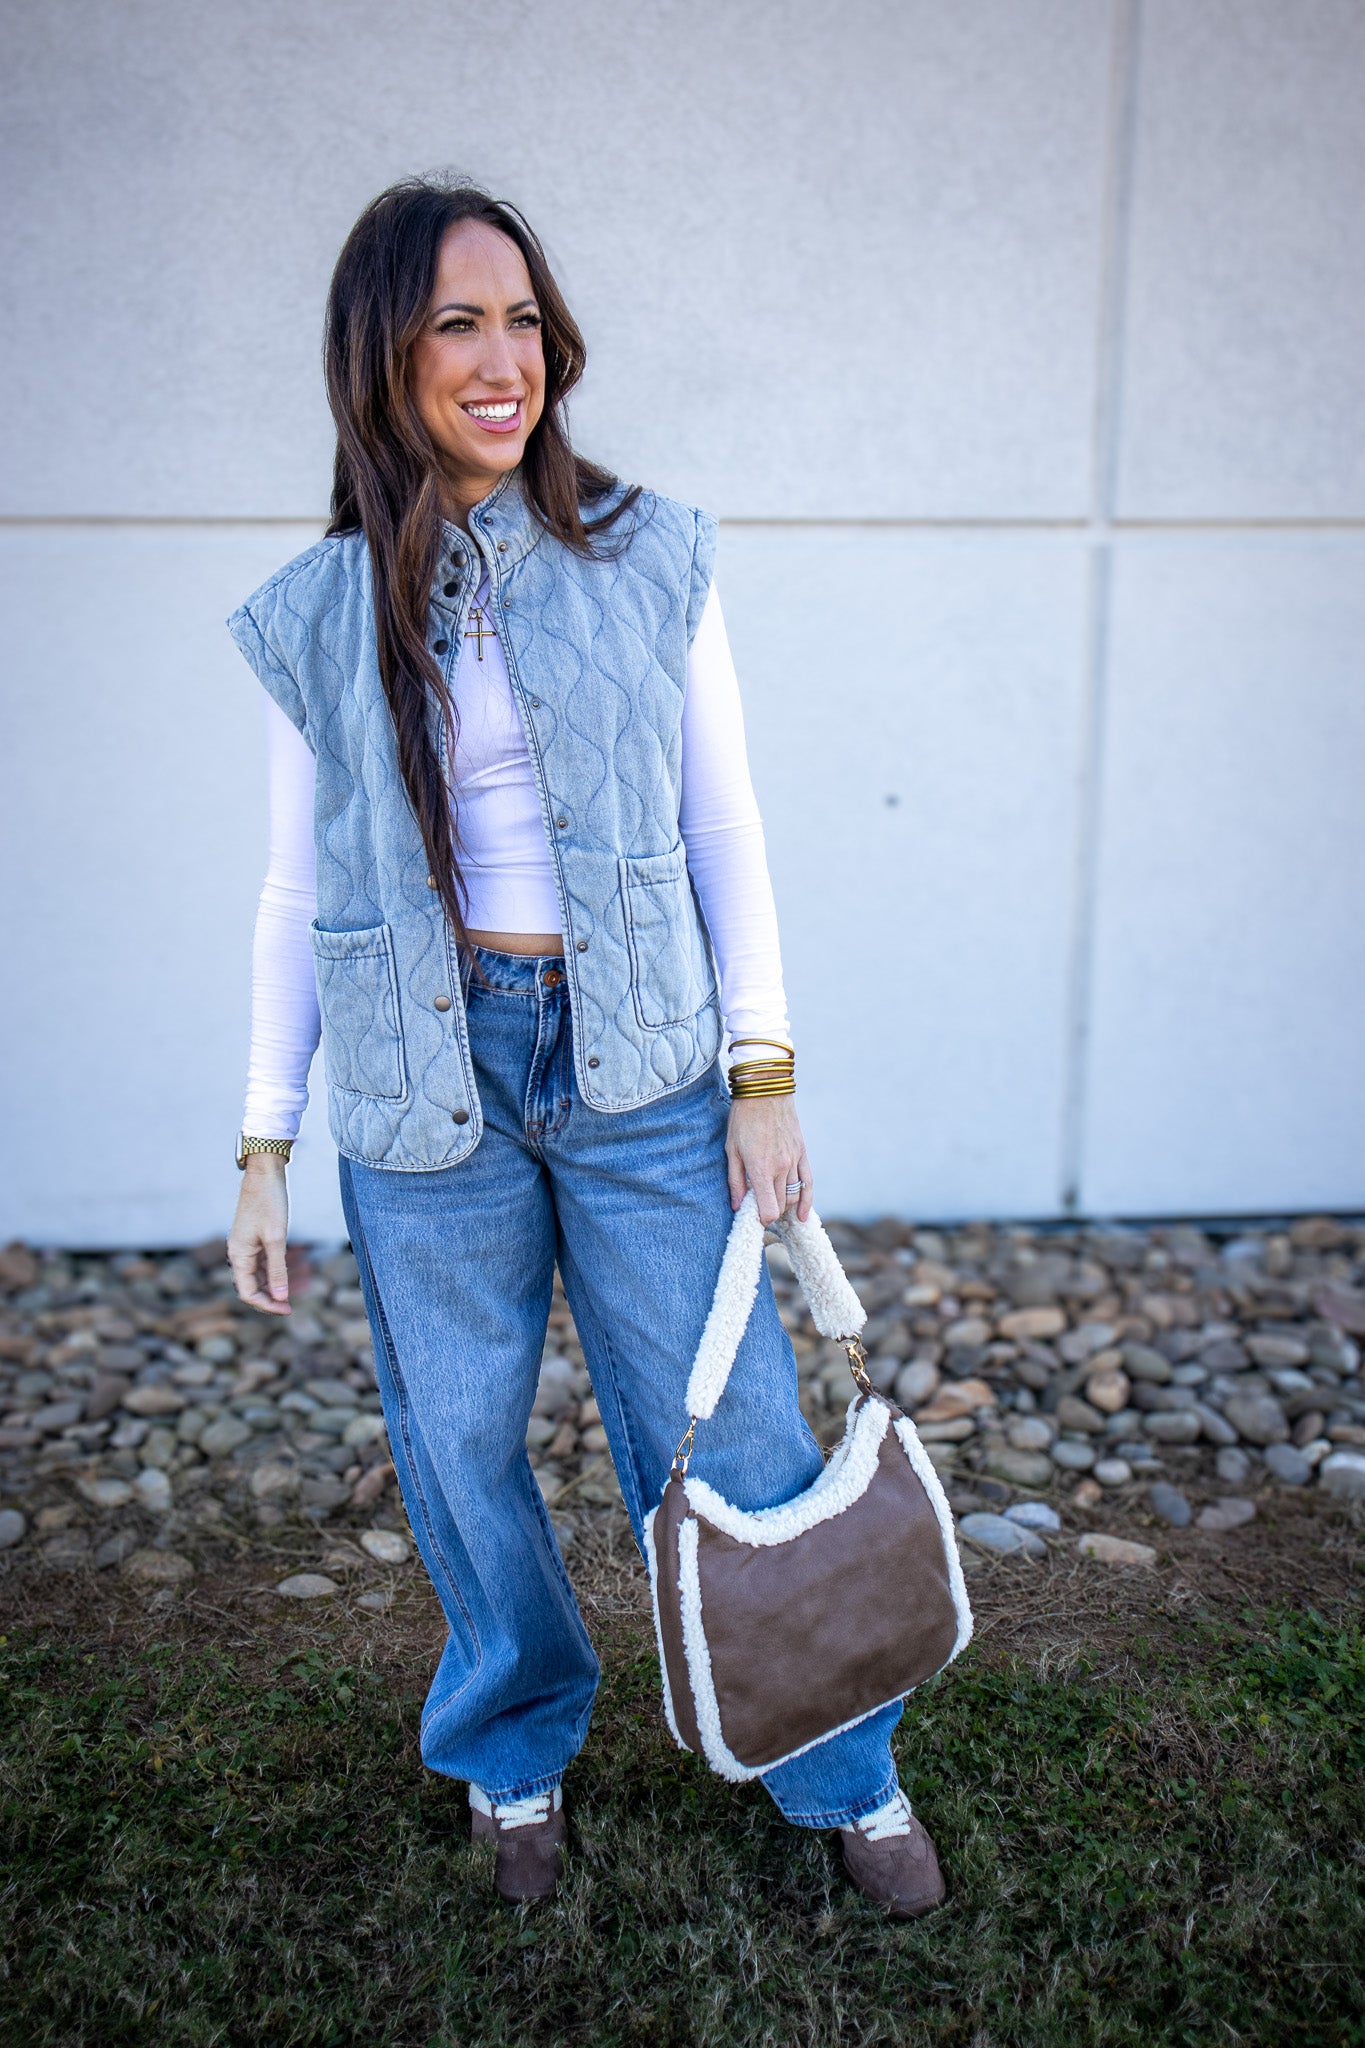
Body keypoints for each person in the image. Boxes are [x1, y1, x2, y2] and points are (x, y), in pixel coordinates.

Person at [226, 178, 943, 1915]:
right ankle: (514, 1746)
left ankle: (835, 1764)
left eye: (523, 321)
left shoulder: (649, 552)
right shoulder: (322, 608)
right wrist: (262, 1138)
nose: (502, 361)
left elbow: (724, 825)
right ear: (380, 358)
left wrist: (763, 1075)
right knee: (460, 1444)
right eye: (456, 325)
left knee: (731, 1427)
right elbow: (293, 887)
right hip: (425, 1082)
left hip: (639, 1068)